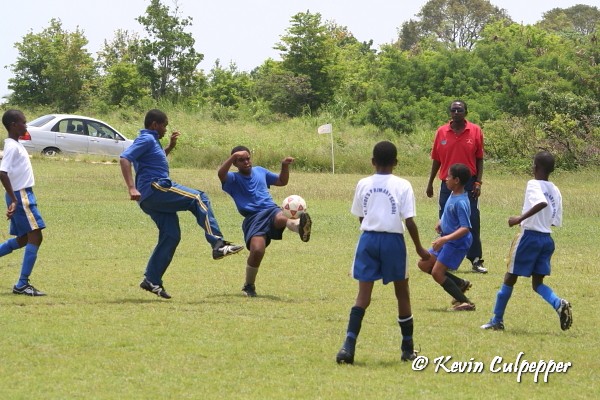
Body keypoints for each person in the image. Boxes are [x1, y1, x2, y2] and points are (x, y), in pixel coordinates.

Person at [120, 109, 243, 299]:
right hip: (155, 188)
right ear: (154, 124)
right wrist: (131, 187)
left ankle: (151, 279)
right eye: (164, 126)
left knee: (171, 235)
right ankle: (217, 243)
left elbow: (152, 159)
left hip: (149, 199)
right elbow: (125, 158)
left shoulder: (152, 141)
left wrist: (170, 147)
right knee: (199, 198)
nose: (165, 129)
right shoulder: (146, 139)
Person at [336, 141, 430, 365]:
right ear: (396, 162)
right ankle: (407, 349)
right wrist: (418, 247)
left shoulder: (363, 183)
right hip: (393, 241)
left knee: (363, 296)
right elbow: (409, 221)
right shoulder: (403, 185)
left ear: (372, 162)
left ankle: (348, 348)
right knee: (402, 294)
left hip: (368, 239)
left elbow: (361, 215)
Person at [481, 151, 572, 331]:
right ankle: (558, 303)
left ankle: (496, 320)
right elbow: (554, 219)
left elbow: (541, 203)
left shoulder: (533, 184)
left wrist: (519, 219)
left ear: (535, 167)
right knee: (537, 284)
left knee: (509, 278)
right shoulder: (555, 189)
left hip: (529, 237)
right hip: (546, 239)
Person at [218, 145, 312, 297]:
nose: (246, 162)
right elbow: (221, 174)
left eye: (248, 158)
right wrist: (232, 157)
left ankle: (299, 226)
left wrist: (284, 166)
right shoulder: (233, 179)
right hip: (253, 218)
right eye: (241, 160)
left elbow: (282, 181)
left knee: (282, 217)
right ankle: (249, 286)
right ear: (235, 163)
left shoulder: (260, 171)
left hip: (270, 210)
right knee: (257, 250)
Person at [426, 100, 487, 274]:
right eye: (453, 110)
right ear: (450, 113)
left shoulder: (475, 131)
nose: (456, 112)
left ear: (466, 112)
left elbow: (480, 158)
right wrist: (430, 182)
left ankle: (476, 260)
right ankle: (442, 260)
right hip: (448, 182)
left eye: (460, 110)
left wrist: (478, 182)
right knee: (445, 222)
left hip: (469, 183)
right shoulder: (441, 132)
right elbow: (436, 159)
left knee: (471, 220)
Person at [418, 163, 476, 311]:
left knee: (437, 273)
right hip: (447, 238)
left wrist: (445, 239)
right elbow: (448, 212)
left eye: (448, 176)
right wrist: (441, 222)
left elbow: (465, 228)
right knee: (424, 264)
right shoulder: (453, 194)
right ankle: (460, 284)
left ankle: (465, 302)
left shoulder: (461, 202)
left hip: (456, 242)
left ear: (456, 180)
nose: (445, 179)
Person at [0, 109, 46, 296]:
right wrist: (13, 199)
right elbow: (2, 172)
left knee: (24, 239)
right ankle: (22, 284)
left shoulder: (15, 144)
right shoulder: (11, 146)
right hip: (21, 196)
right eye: (23, 122)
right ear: (13, 125)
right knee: (36, 236)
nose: (26, 126)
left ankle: (22, 283)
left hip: (23, 194)